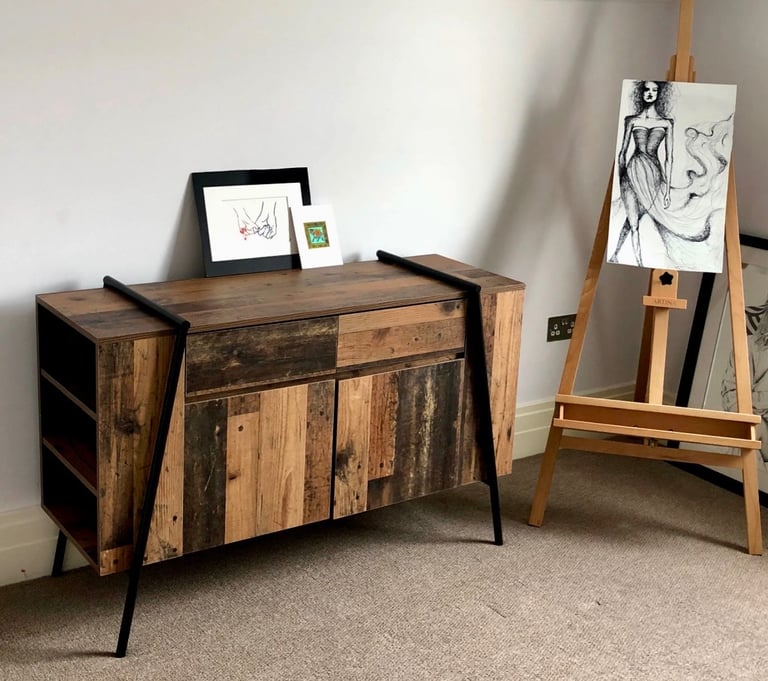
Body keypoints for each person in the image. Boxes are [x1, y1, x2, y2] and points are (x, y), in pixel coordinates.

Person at [609, 80, 674, 266]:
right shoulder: (632, 120)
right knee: (634, 223)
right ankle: (638, 262)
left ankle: (616, 254)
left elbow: (670, 158)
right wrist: (620, 180)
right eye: (647, 89)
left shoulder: (667, 123)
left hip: (653, 175)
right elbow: (622, 152)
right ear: (642, 93)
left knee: (634, 219)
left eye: (654, 90)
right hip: (632, 171)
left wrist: (667, 190)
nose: (650, 93)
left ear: (659, 94)